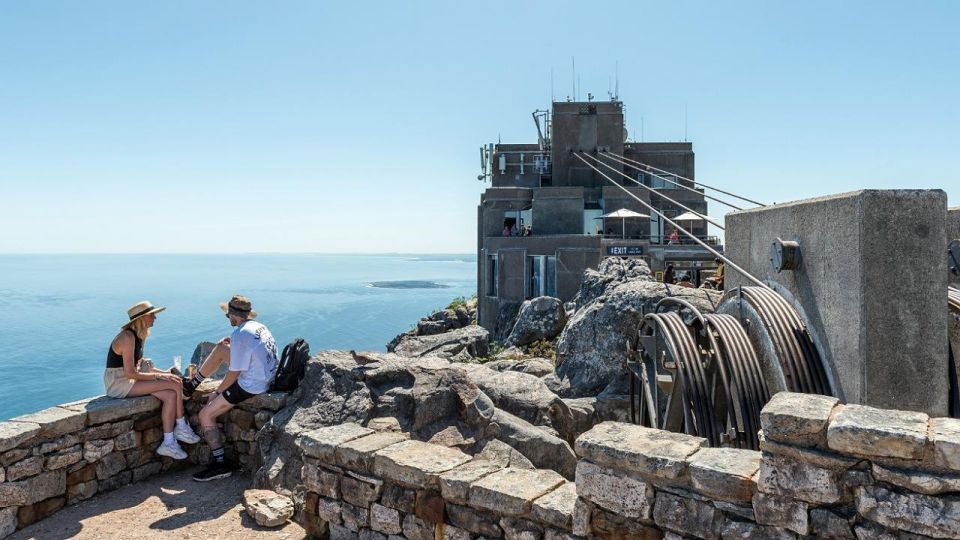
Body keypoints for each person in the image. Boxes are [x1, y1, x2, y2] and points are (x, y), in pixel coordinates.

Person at [183, 295, 279, 481]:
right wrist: (234, 344)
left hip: (251, 385)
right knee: (220, 348)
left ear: (233, 316)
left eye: (228, 316)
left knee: (205, 415)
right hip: (266, 377)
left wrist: (216, 393)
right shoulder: (259, 327)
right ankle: (192, 384)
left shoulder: (240, 334)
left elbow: (233, 374)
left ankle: (220, 464)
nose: (228, 319)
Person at [105, 301, 200, 460]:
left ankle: (168, 442)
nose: (155, 317)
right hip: (119, 383)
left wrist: (164, 372)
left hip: (130, 379)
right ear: (142, 318)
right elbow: (130, 373)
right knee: (174, 383)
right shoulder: (127, 338)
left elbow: (141, 368)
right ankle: (181, 427)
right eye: (152, 314)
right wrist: (162, 376)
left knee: (170, 394)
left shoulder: (139, 336)